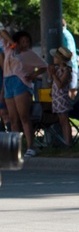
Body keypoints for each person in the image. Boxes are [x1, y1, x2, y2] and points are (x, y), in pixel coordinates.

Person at [0, 29, 47, 157]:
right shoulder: (9, 48)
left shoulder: (29, 54)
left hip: (20, 83)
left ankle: (30, 147)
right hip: (8, 81)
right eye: (22, 41)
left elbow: (44, 66)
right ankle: (16, 148)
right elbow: (2, 31)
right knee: (13, 118)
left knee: (24, 117)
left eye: (27, 41)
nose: (24, 44)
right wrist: (13, 43)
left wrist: (33, 75)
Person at [48, 46, 75, 147]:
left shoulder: (66, 71)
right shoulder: (58, 69)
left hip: (62, 98)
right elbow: (52, 83)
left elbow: (60, 85)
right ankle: (65, 140)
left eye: (55, 57)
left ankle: (68, 141)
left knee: (64, 120)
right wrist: (51, 75)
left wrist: (54, 74)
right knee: (61, 120)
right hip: (56, 98)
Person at [60, 18, 79, 98]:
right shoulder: (66, 34)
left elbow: (70, 53)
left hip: (70, 67)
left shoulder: (65, 35)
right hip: (70, 67)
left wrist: (64, 66)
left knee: (71, 90)